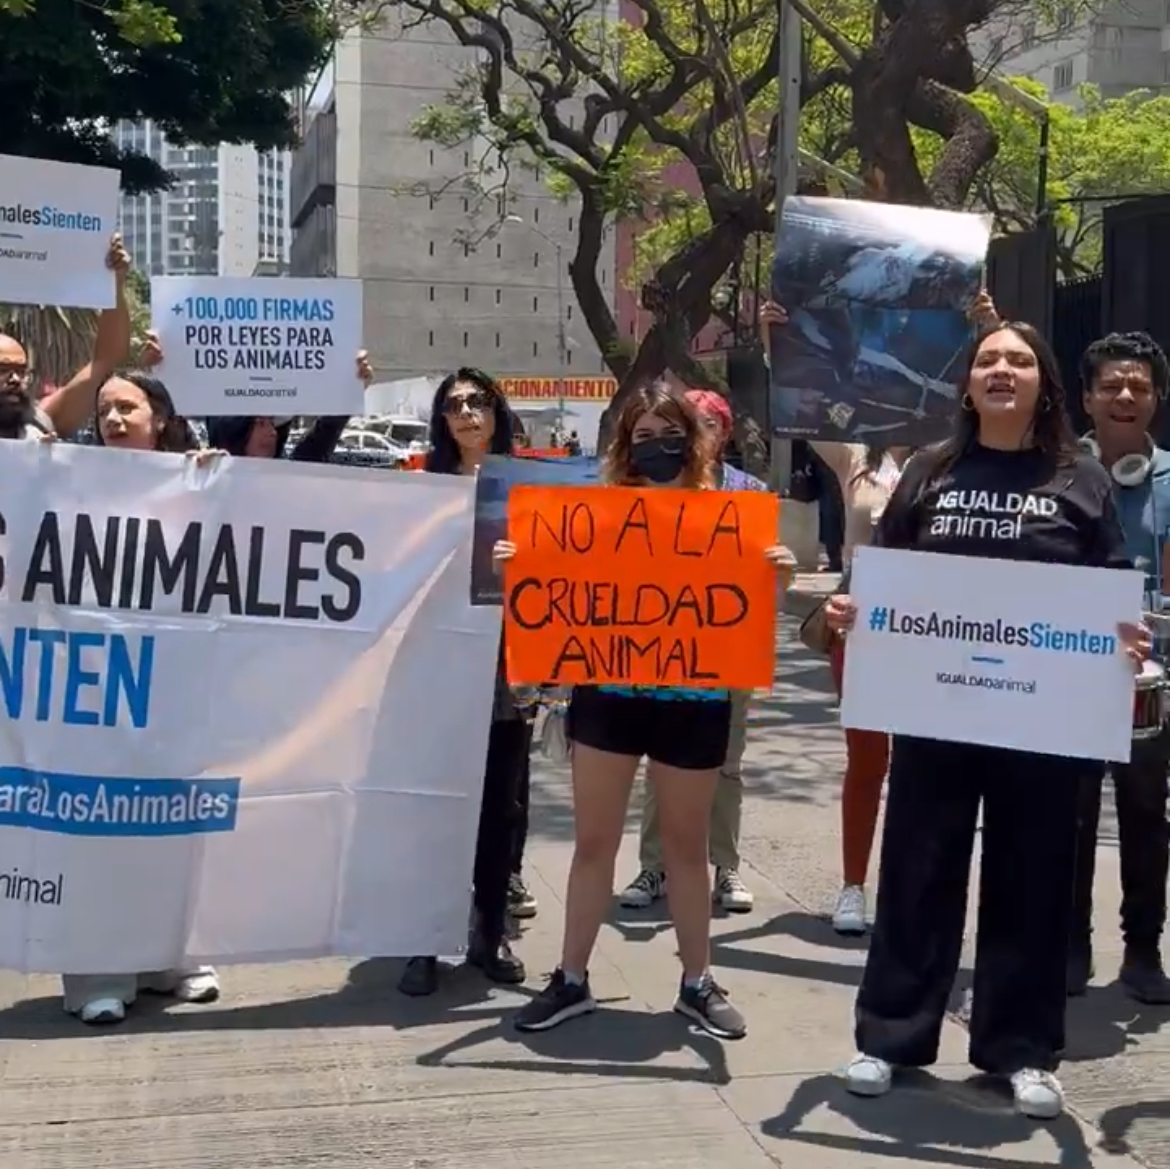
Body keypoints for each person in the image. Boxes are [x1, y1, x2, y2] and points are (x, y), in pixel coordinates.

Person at [824, 321, 1149, 1119]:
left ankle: (1022, 1051)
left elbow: (1110, 589)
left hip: (1042, 724)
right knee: (916, 869)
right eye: (988, 359)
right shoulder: (932, 471)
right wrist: (848, 610)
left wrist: (1125, 635)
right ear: (967, 384)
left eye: (1021, 360)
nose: (1003, 369)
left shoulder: (1082, 479)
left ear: (1043, 386)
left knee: (1032, 880)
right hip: (935, 712)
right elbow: (884, 577)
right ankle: (890, 1037)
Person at [506, 380, 794, 1038]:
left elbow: (748, 621)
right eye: (643, 436)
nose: (657, 446)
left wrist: (773, 576)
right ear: (624, 445)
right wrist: (521, 563)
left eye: (671, 434)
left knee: (687, 848)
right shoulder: (599, 513)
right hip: (609, 695)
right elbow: (558, 589)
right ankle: (572, 976)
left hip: (694, 701)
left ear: (693, 442)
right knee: (593, 843)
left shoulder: (729, 517)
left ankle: (697, 981)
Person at [63, 368, 219, 1023]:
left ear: (159, 415)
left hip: (175, 683)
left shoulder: (199, 479)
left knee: (172, 826)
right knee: (99, 831)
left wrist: (221, 487)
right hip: (99, 681)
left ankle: (171, 960)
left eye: (126, 407)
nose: (114, 420)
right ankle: (99, 976)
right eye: (105, 411)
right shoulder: (68, 478)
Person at [398, 367, 530, 996]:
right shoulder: (423, 489)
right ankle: (424, 935)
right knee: (434, 808)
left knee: (499, 810)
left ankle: (489, 930)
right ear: (443, 421)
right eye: (454, 405)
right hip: (439, 666)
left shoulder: (531, 486)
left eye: (479, 402)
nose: (468, 413)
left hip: (507, 669)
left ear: (499, 411)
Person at [618, 387, 775, 915]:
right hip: (660, 649)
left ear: (721, 432)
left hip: (726, 652)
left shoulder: (749, 495)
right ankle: (653, 867)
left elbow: (760, 583)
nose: (692, 431)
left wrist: (777, 569)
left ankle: (725, 867)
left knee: (726, 763)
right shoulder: (646, 490)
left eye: (703, 422)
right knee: (658, 763)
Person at [1070, 331, 1170, 1003]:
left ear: (1156, 399)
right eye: (1111, 385)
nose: (1125, 395)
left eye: (1138, 385)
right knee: (1067, 815)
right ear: (1087, 398)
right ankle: (1067, 945)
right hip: (1068, 678)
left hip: (1150, 686)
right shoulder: (1054, 471)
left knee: (1143, 814)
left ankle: (1142, 950)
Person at [138, 334, 373, 461]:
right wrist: (159, 371)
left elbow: (325, 434)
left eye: (271, 423)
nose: (271, 432)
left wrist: (350, 387)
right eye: (260, 422)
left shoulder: (292, 475)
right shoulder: (197, 468)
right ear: (233, 428)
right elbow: (167, 429)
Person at [1, 234, 132, 441]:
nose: (15, 379)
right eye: (3, 370)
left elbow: (106, 358)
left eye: (20, 371)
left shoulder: (39, 424)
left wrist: (114, 282)